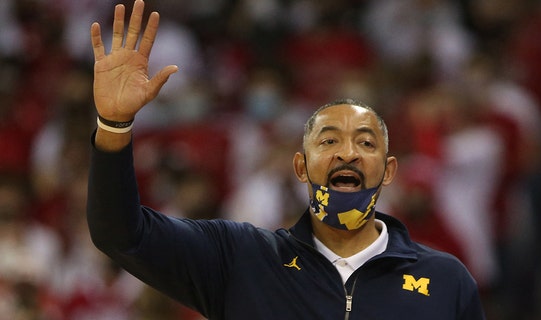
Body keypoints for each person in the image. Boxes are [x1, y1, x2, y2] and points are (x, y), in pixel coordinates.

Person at [86, 1, 486, 319]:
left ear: (389, 171)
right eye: (329, 141)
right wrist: (114, 125)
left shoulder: (445, 280)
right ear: (300, 167)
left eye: (365, 143)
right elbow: (121, 234)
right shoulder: (241, 258)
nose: (347, 153)